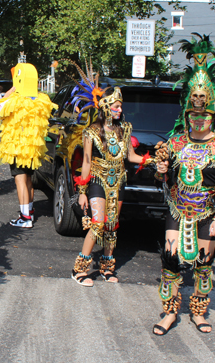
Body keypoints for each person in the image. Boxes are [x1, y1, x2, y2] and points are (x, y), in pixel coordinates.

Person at [152, 34, 215, 336]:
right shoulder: (174, 143)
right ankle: (170, 312)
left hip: (207, 212)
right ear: (186, 114)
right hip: (177, 208)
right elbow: (163, 178)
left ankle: (199, 312)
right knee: (171, 262)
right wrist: (161, 169)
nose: (199, 118)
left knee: (203, 263)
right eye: (193, 113)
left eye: (204, 114)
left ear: (213, 115)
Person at [71, 86, 149, 286]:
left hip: (119, 181)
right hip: (98, 179)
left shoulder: (125, 129)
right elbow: (86, 163)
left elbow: (130, 156)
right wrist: (82, 192)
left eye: (120, 107)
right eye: (116, 107)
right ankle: (79, 269)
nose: (119, 111)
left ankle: (107, 267)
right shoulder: (91, 132)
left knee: (111, 225)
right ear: (105, 107)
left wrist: (151, 161)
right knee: (97, 224)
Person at [0, 63, 56, 228]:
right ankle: (30, 211)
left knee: (20, 180)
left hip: (17, 147)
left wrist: (6, 95)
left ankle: (25, 218)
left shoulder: (13, 100)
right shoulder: (41, 99)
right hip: (33, 147)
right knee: (28, 181)